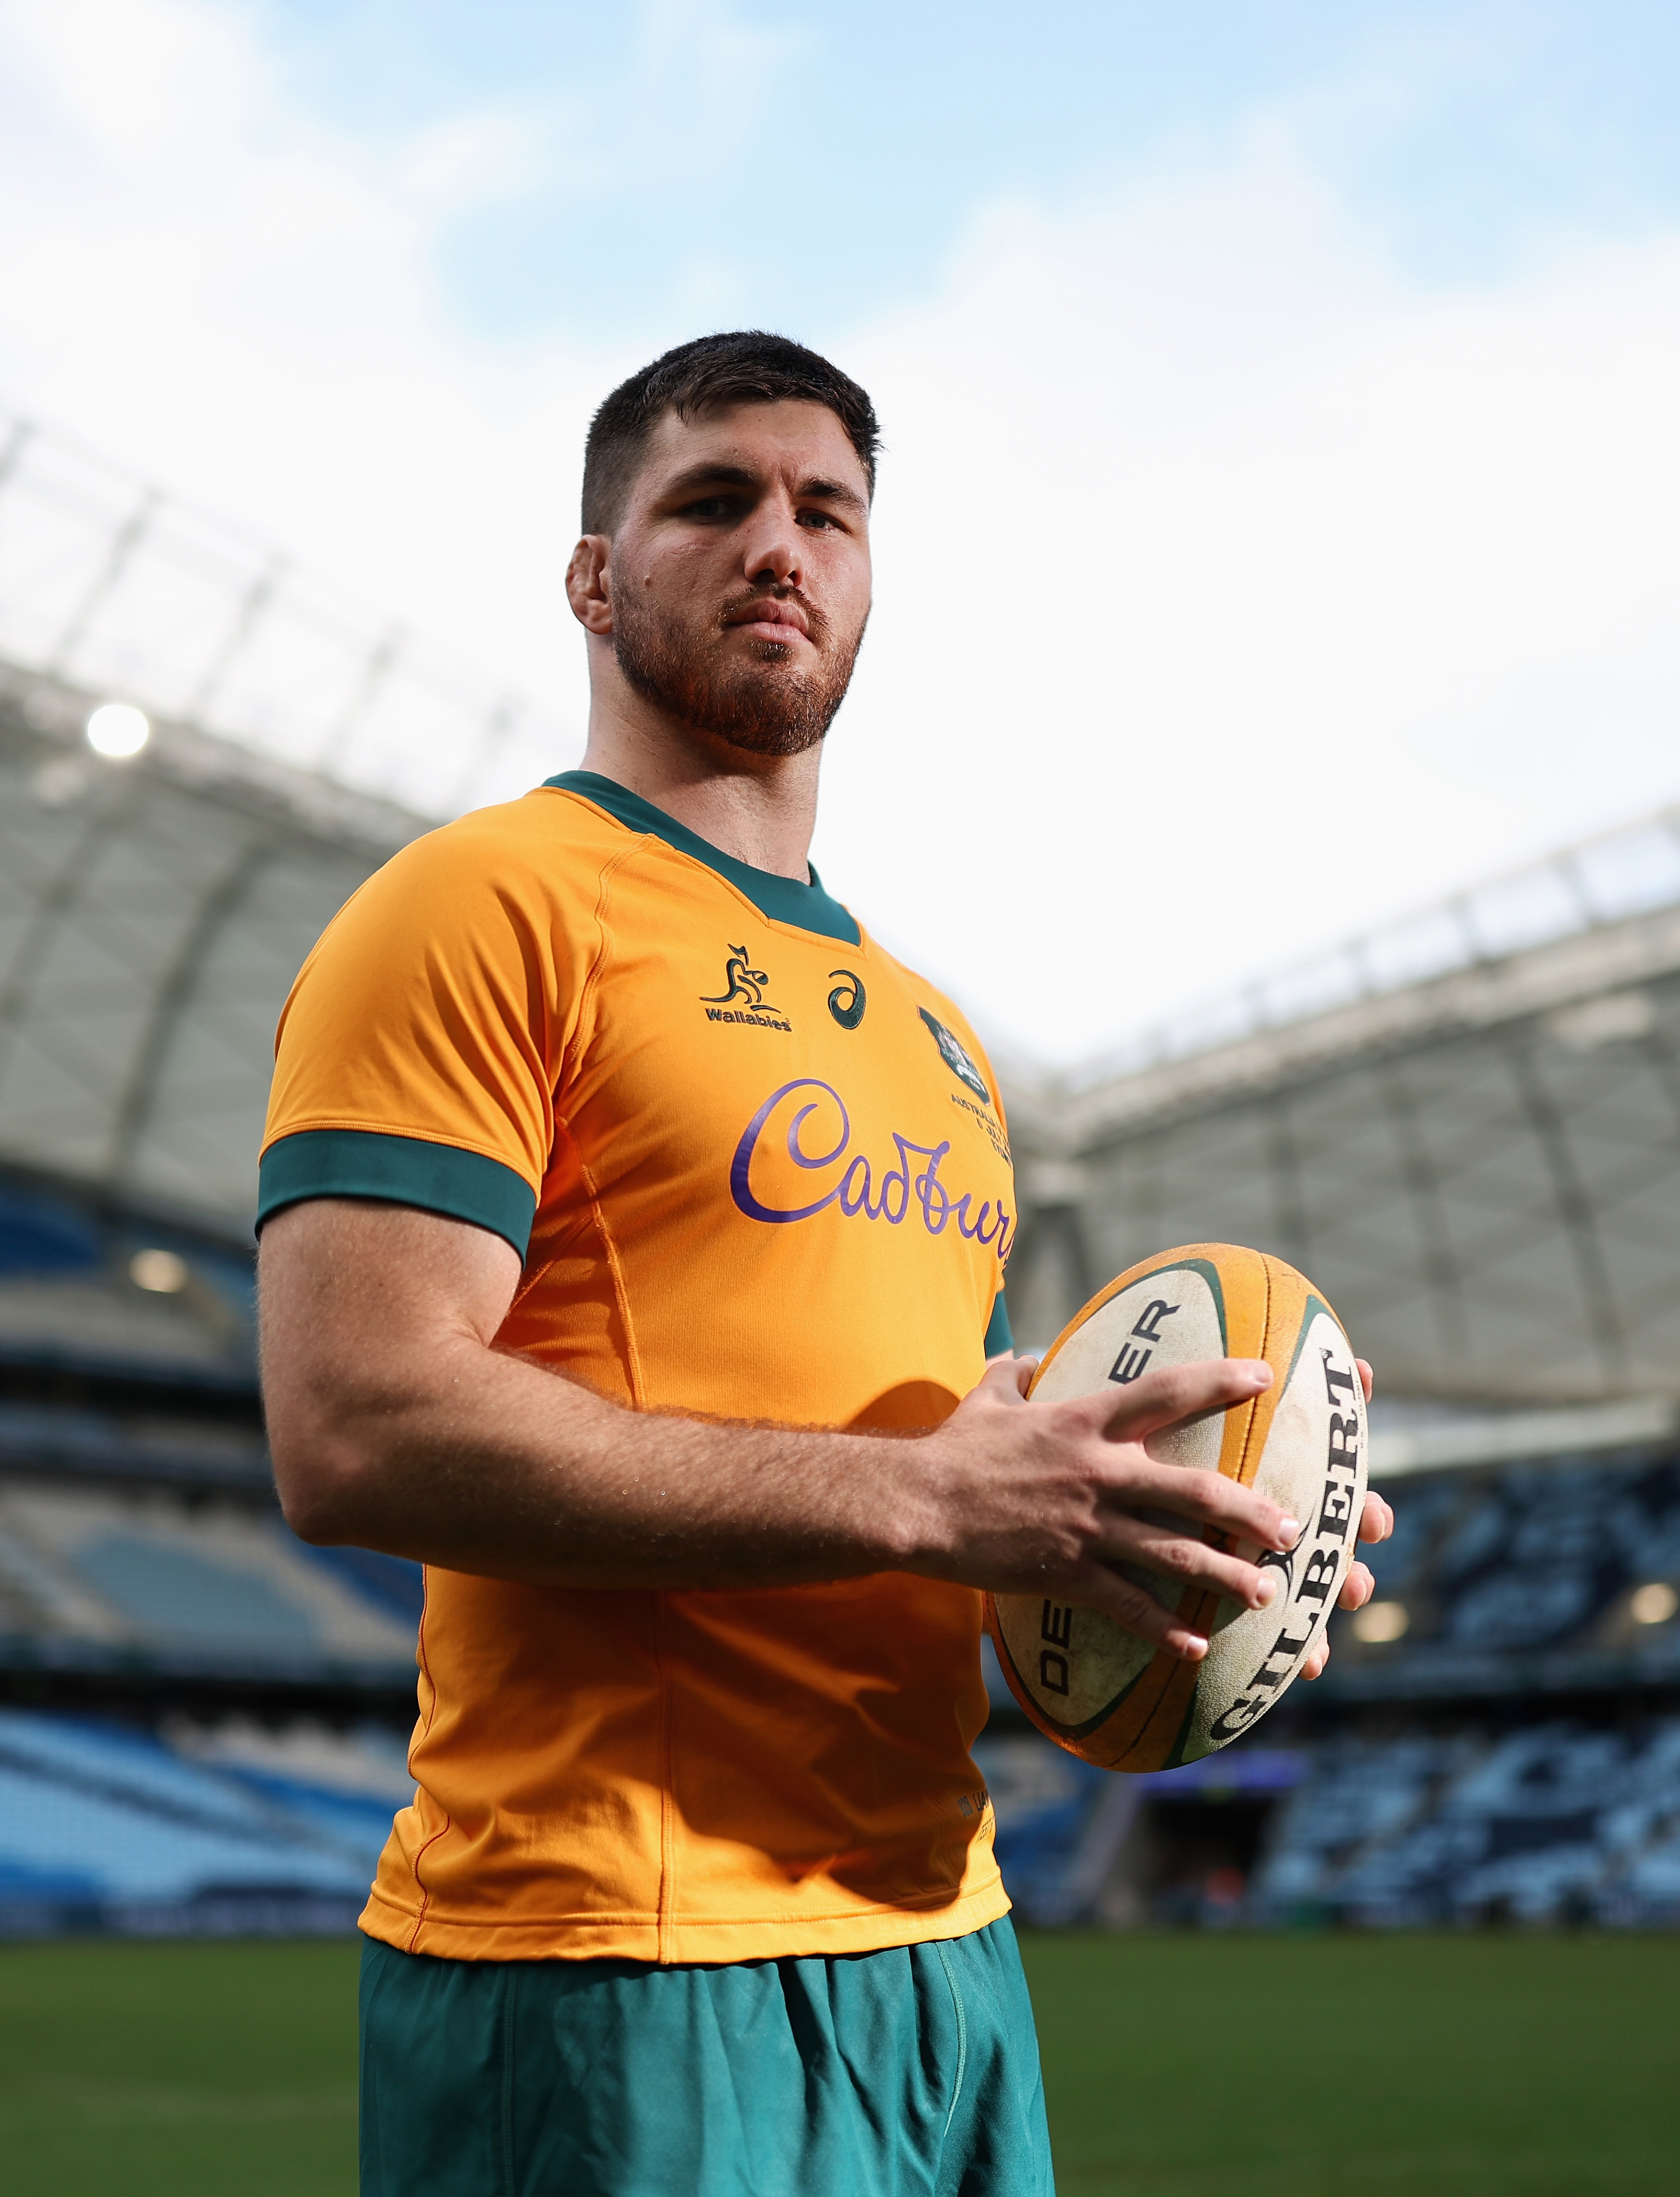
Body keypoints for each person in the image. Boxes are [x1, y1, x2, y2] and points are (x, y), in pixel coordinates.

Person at [255, 331, 1393, 2197]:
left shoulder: (935, 1045)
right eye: (713, 499)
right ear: (594, 577)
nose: (779, 542)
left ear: (867, 579)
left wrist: (1194, 1537)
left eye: (827, 510)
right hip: (619, 1964)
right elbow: (357, 1426)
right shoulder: (480, 905)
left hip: (942, 1951)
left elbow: (959, 1492)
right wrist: (928, 1495)